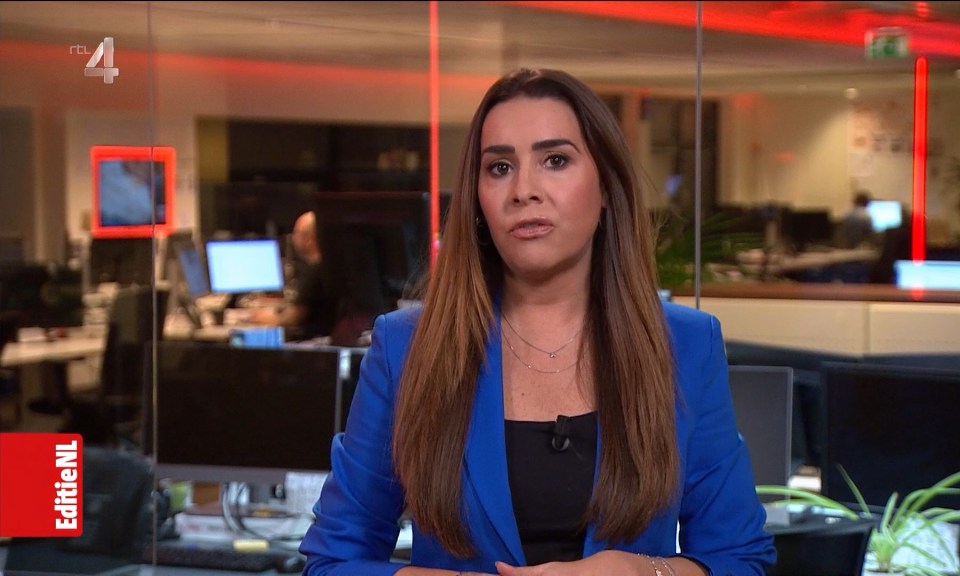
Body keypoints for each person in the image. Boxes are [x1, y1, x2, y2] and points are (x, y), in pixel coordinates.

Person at [299, 68, 775, 576]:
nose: (523, 190)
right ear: (477, 199)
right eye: (500, 167)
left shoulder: (687, 344)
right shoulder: (406, 347)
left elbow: (738, 558)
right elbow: (333, 561)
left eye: (555, 160)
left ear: (606, 186)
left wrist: (642, 572)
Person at [250, 211, 336, 341]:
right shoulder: (330, 266)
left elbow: (293, 318)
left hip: (309, 343)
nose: (293, 239)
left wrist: (267, 318)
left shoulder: (315, 270)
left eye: (296, 233)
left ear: (309, 239)